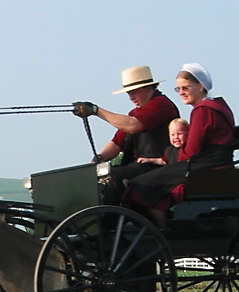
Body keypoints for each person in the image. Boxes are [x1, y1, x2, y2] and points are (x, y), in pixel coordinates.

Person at [122, 63, 235, 227]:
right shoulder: (218, 106)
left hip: (205, 167)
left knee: (137, 186)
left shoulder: (203, 111)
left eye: (185, 88)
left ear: (200, 86)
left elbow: (191, 152)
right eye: (178, 89)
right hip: (214, 164)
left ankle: (163, 231)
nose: (181, 93)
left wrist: (167, 155)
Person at [73, 65, 179, 205]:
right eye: (129, 93)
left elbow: (132, 125)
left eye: (134, 92)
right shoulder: (135, 113)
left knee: (113, 177)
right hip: (141, 167)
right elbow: (117, 143)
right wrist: (98, 159)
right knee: (101, 176)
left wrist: (96, 111)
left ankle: (108, 220)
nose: (131, 97)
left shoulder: (161, 104)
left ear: (149, 88)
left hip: (158, 166)